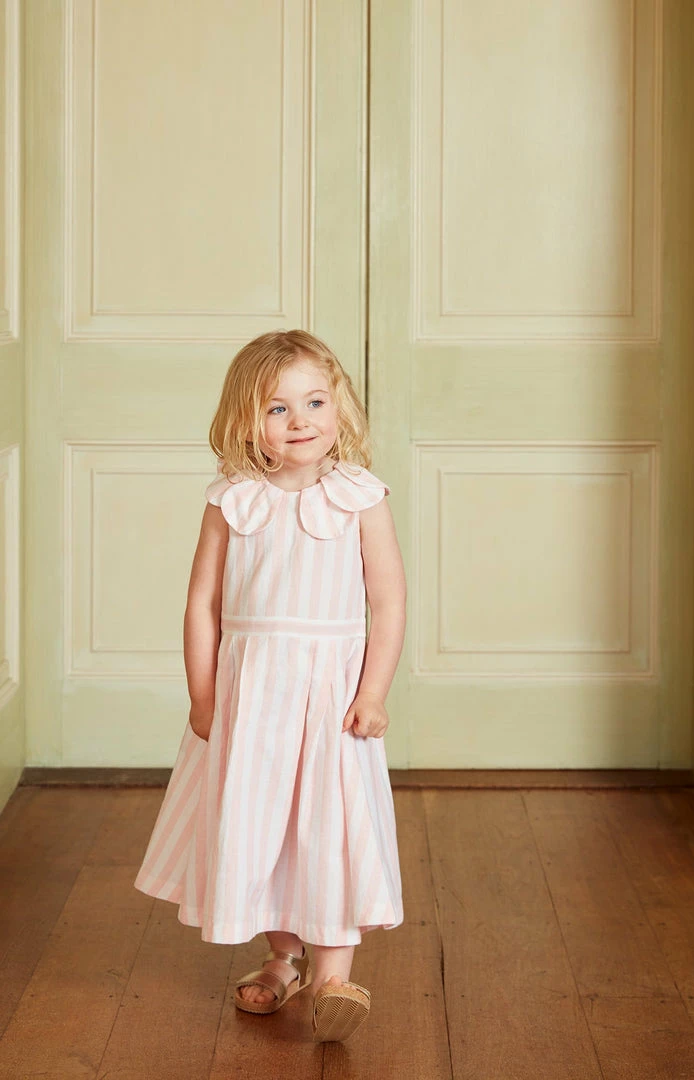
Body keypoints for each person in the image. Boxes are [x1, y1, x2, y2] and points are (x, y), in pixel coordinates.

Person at [134, 329, 406, 1043]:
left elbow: (388, 602)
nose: (300, 421)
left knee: (329, 826)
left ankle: (334, 977)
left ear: (339, 406)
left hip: (330, 703)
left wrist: (373, 692)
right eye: (277, 408)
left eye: (315, 402)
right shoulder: (234, 501)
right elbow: (202, 603)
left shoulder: (359, 497)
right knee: (261, 825)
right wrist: (202, 696)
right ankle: (283, 958)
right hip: (252, 700)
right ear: (245, 420)